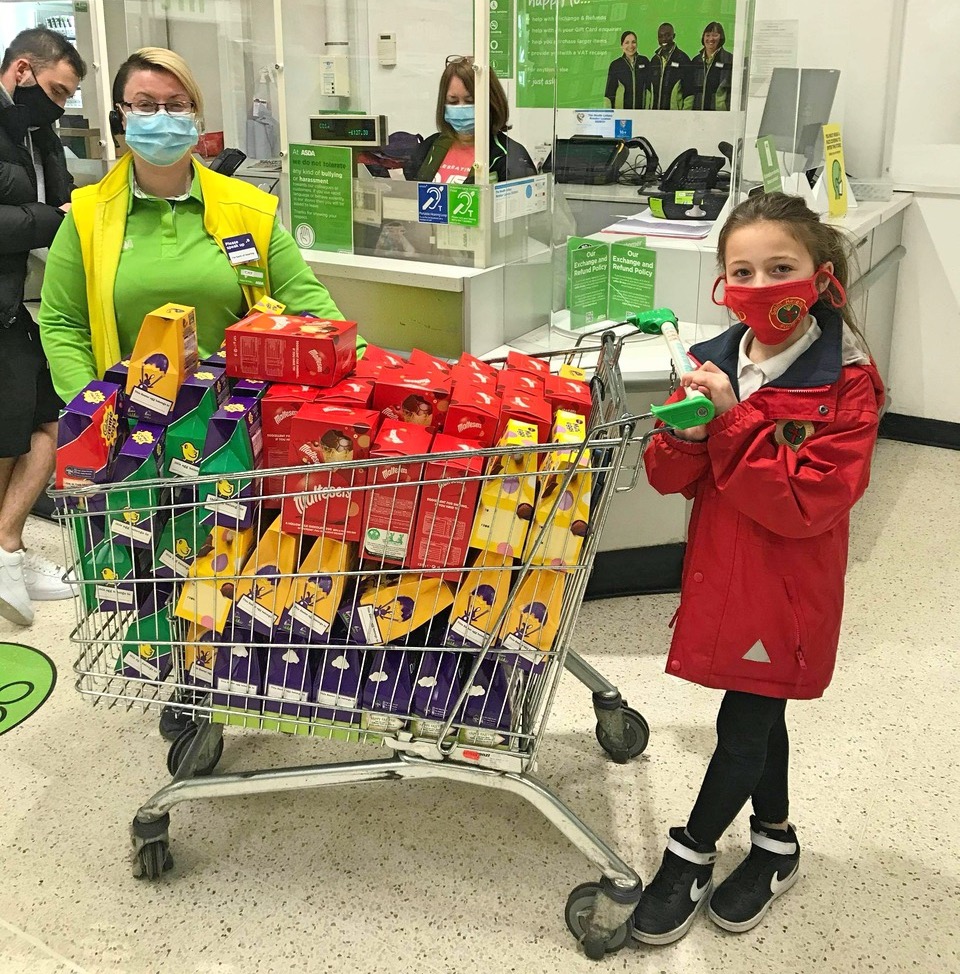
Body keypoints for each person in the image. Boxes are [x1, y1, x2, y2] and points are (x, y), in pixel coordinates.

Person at [636, 192, 884, 945]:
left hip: (788, 587)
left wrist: (730, 420)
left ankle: (690, 854)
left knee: (743, 723)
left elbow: (806, 502)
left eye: (781, 267)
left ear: (820, 275)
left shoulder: (847, 383)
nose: (760, 284)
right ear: (723, 283)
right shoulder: (714, 362)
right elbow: (666, 478)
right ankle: (776, 843)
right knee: (760, 708)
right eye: (742, 271)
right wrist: (684, 433)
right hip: (723, 574)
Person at [38, 47, 359, 408]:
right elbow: (63, 323)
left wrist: (370, 373)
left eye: (177, 105)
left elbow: (310, 306)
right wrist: (93, 407)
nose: (162, 116)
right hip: (126, 422)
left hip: (234, 418)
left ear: (195, 115)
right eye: (145, 105)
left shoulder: (247, 209)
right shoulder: (87, 215)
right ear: (121, 117)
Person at [0, 27, 86, 626]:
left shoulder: (39, 132)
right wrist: (50, 219)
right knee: (13, 432)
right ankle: (7, 550)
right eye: (56, 91)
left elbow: (65, 201)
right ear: (23, 70)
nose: (59, 105)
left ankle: (9, 547)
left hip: (16, 305)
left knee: (45, 423)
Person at [405, 57, 535, 184]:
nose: (461, 108)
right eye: (453, 101)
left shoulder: (509, 156)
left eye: (470, 101)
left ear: (491, 102)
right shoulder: (431, 146)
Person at [684, 22, 734, 111]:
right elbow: (689, 89)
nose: (711, 39)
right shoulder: (696, 60)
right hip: (697, 112)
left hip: (720, 114)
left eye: (715, 35)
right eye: (707, 35)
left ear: (721, 37)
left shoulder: (729, 60)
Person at [649, 23, 690, 110]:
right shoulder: (654, 60)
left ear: (673, 36)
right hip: (655, 113)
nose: (664, 39)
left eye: (667, 35)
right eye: (660, 36)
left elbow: (689, 93)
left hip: (675, 115)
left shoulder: (683, 59)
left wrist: (685, 115)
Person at [604, 31, 650, 110]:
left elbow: (649, 88)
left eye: (633, 42)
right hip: (622, 113)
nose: (631, 46)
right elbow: (609, 93)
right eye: (627, 42)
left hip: (641, 112)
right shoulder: (615, 65)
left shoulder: (644, 61)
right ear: (622, 45)